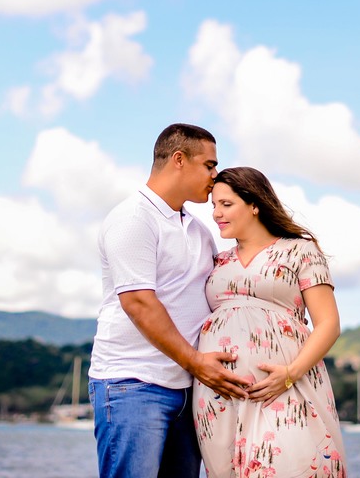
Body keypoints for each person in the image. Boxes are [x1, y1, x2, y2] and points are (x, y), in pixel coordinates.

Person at [89, 123, 253, 478]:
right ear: (179, 159)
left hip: (190, 388)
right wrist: (197, 362)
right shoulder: (133, 219)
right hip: (133, 384)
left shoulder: (199, 231)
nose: (215, 175)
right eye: (209, 165)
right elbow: (139, 303)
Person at [193, 167, 347, 477]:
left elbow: (328, 323)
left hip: (285, 386)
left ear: (254, 204)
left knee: (292, 464)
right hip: (219, 394)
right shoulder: (218, 261)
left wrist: (290, 374)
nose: (216, 214)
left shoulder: (299, 250)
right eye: (213, 205)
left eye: (226, 204)